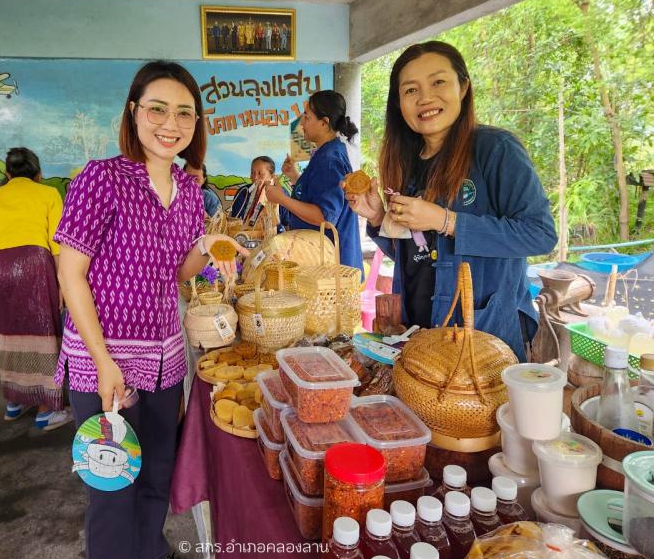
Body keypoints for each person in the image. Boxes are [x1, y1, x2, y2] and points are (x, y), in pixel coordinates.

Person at [55, 60, 247, 559]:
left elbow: (178, 271)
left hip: (165, 360)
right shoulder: (101, 179)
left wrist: (209, 246)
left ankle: (149, 553)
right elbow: (70, 275)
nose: (171, 124)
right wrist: (102, 363)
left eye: (185, 113)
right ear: (134, 112)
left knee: (157, 475)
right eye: (157, 109)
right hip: (105, 361)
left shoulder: (188, 192)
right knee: (113, 486)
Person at [345, 41, 557, 362]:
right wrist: (377, 218)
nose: (426, 97)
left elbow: (540, 234)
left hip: (481, 337)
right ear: (398, 103)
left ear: (463, 87)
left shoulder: (494, 150)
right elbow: (418, 254)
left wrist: (447, 220)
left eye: (438, 82)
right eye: (411, 90)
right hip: (419, 332)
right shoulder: (409, 162)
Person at [0, 147, 70, 430]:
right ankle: (46, 410)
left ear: (7, 173)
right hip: (32, 266)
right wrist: (63, 285)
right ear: (38, 174)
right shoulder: (48, 193)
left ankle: (14, 403)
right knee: (43, 335)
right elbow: (58, 245)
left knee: (7, 334)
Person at [265, 90, 363, 272]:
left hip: (331, 267)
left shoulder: (329, 158)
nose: (302, 123)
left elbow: (324, 217)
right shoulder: (328, 153)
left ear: (324, 123)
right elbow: (318, 193)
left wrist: (282, 199)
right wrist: (295, 177)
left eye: (307, 117)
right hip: (327, 262)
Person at [230, 155, 289, 230]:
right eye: (252, 172)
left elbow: (287, 223)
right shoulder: (243, 192)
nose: (255, 177)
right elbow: (236, 222)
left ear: (272, 176)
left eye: (260, 173)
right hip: (246, 237)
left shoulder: (282, 193)